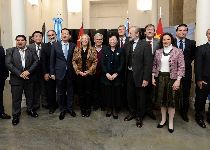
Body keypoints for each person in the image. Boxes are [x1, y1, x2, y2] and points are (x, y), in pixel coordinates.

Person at [152, 33, 185, 133]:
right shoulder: (158, 51)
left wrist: (178, 80)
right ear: (161, 40)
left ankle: (170, 122)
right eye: (164, 39)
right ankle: (163, 120)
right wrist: (153, 77)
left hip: (173, 79)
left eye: (168, 39)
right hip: (160, 78)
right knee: (162, 101)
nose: (165, 41)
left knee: (171, 102)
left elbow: (181, 67)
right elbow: (154, 65)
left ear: (171, 40)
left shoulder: (178, 51)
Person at [5, 35, 39, 125]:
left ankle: (30, 110)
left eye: (22, 40)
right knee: (16, 98)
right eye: (18, 40)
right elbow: (8, 64)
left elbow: (36, 61)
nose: (20, 42)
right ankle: (16, 115)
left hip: (29, 77)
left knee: (30, 96)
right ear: (16, 41)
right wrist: (20, 74)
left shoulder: (31, 50)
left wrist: (28, 71)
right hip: (16, 79)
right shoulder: (10, 51)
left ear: (26, 41)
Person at [124, 26, 153, 128]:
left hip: (140, 76)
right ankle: (132, 113)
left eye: (130, 33)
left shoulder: (145, 45)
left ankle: (139, 117)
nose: (128, 35)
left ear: (137, 34)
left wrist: (146, 78)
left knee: (141, 97)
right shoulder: (127, 44)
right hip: (129, 74)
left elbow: (148, 64)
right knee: (130, 95)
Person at [50, 28, 76, 120]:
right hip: (59, 72)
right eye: (63, 33)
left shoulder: (73, 45)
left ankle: (70, 108)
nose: (64, 35)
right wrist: (52, 72)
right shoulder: (55, 45)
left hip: (70, 73)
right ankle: (62, 110)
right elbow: (52, 60)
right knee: (60, 93)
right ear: (61, 35)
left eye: (66, 34)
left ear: (69, 36)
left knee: (70, 92)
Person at [174, 24, 196, 122]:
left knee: (185, 93)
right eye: (180, 30)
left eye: (184, 30)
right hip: (173, 71)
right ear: (176, 31)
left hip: (186, 72)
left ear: (187, 32)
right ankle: (172, 112)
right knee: (173, 92)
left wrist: (185, 64)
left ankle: (184, 113)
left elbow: (192, 57)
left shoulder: (191, 43)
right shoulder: (171, 41)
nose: (182, 32)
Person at [72, 34, 97, 117]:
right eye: (83, 39)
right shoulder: (77, 49)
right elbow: (73, 61)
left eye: (86, 39)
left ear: (88, 40)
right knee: (80, 92)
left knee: (88, 92)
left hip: (89, 75)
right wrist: (78, 71)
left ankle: (88, 109)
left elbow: (95, 62)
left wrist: (88, 71)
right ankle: (82, 109)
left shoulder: (93, 49)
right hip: (79, 75)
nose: (85, 40)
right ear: (81, 40)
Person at [101, 34, 124, 119]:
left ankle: (115, 109)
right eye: (111, 40)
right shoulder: (105, 50)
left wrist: (116, 73)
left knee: (116, 93)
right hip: (106, 76)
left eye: (114, 40)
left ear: (117, 41)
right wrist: (106, 73)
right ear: (108, 41)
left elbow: (122, 64)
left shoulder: (121, 50)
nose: (112, 41)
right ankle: (109, 108)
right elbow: (102, 63)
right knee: (108, 93)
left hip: (117, 77)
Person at [143, 24, 160, 120]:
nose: (150, 31)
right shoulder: (140, 42)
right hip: (143, 71)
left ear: (154, 32)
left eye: (152, 29)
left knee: (152, 92)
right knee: (143, 91)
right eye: (148, 29)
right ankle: (142, 109)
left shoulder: (159, 42)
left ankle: (149, 110)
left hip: (155, 71)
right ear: (145, 32)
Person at [194, 28, 210, 128]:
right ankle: (199, 117)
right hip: (204, 79)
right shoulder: (201, 48)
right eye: (209, 33)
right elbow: (198, 65)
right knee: (201, 100)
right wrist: (199, 79)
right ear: (207, 35)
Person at [28, 31, 47, 110]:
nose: (38, 37)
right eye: (36, 36)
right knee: (35, 88)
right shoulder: (29, 47)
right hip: (33, 71)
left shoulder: (45, 46)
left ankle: (45, 103)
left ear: (42, 37)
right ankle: (36, 104)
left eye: (40, 36)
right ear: (33, 38)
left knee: (44, 87)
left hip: (43, 70)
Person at [41, 30, 57, 114]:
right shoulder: (45, 46)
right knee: (50, 90)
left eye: (52, 35)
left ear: (56, 34)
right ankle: (52, 106)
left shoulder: (61, 44)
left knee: (61, 90)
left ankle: (61, 104)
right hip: (49, 72)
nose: (51, 37)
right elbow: (43, 61)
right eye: (49, 35)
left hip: (60, 72)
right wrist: (45, 73)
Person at [92, 33, 107, 111]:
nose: (98, 41)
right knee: (95, 89)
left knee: (103, 89)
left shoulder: (106, 48)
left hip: (104, 73)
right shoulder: (91, 48)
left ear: (102, 40)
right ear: (94, 40)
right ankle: (96, 104)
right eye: (97, 39)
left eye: (100, 39)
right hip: (93, 73)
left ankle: (103, 104)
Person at [0, 46, 11, 119]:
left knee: (0, 95)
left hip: (0, 77)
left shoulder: (1, 48)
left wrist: (5, 74)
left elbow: (3, 62)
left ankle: (1, 112)